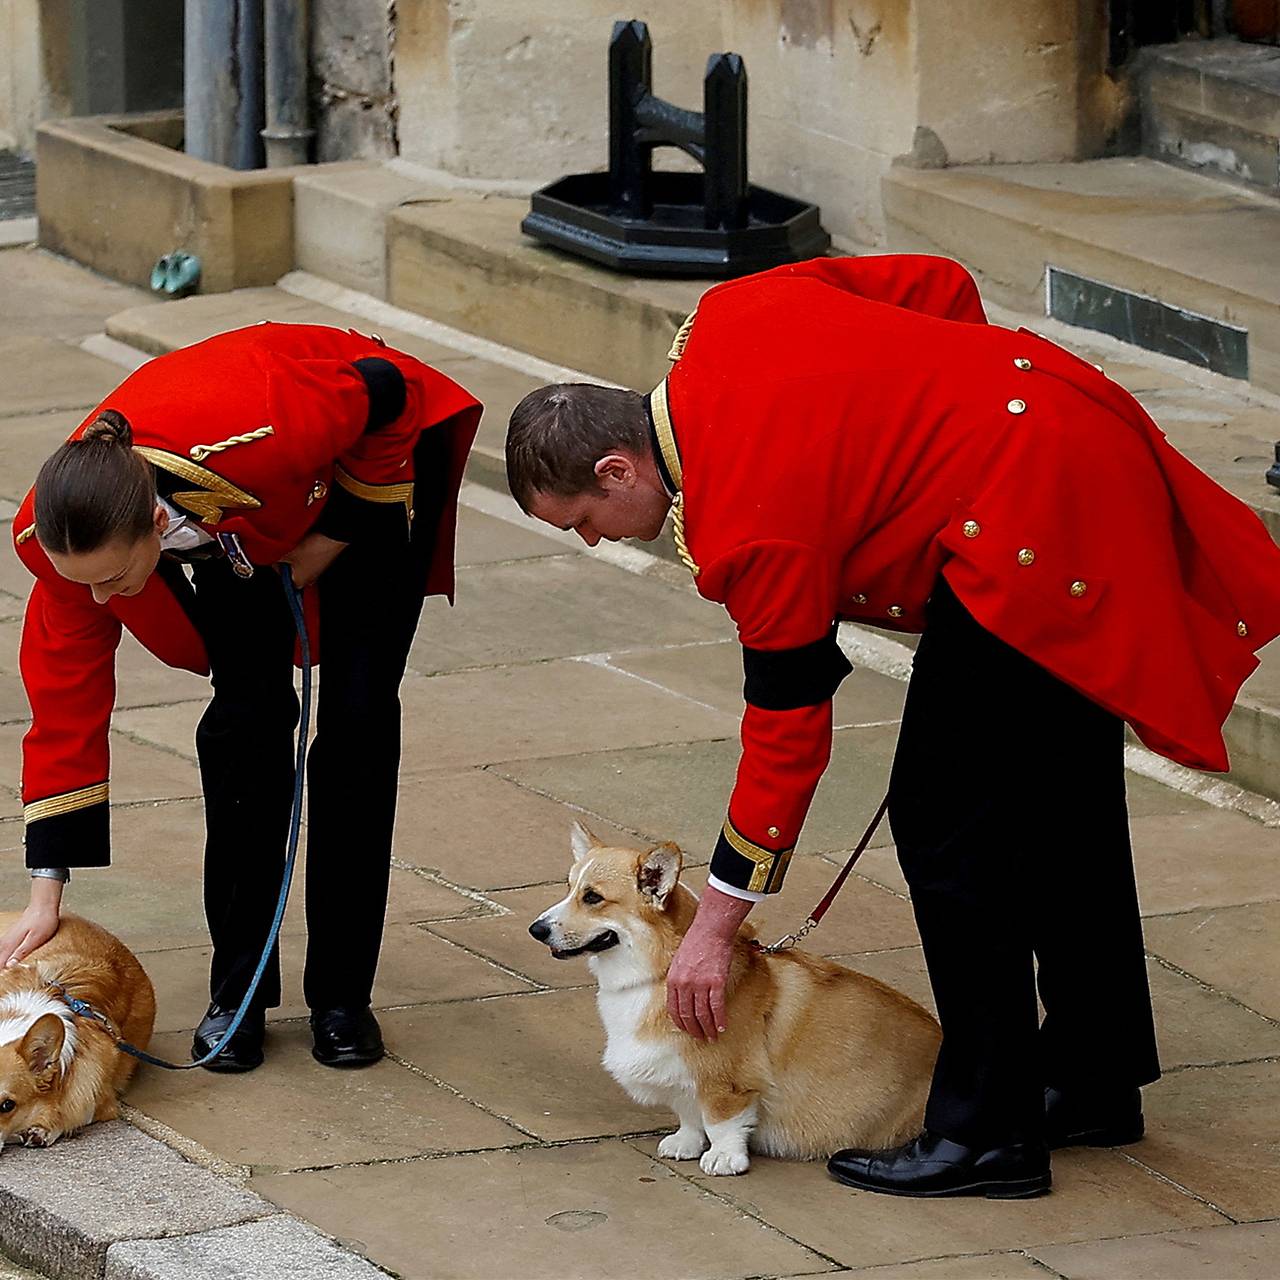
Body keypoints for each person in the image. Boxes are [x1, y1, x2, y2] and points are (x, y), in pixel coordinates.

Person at [503, 254, 1280, 1198]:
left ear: (617, 466)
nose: (596, 538)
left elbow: (787, 735)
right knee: (1059, 797)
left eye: (585, 518)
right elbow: (939, 283)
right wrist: (959, 414)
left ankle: (989, 1132)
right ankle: (1089, 1078)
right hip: (1065, 432)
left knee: (947, 825)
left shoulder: (748, 523)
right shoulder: (727, 315)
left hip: (1026, 530)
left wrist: (713, 927)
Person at [0, 321, 482, 1073]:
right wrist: (45, 894)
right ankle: (240, 994)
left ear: (155, 525)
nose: (95, 597)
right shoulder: (66, 542)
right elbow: (63, 710)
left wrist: (332, 539)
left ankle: (343, 997)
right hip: (240, 530)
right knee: (243, 727)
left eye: (111, 578)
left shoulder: (266, 423)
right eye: (81, 579)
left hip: (361, 476)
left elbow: (389, 396)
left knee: (356, 724)